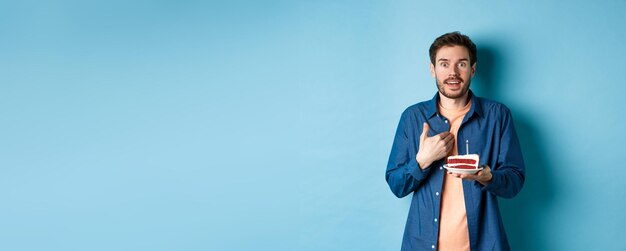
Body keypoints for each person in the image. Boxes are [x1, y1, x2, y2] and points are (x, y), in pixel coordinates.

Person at [385, 32, 525, 251]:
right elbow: (396, 185)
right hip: (422, 245)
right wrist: (422, 160)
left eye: (461, 64)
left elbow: (515, 181)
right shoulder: (413, 118)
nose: (453, 72)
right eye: (444, 64)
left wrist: (488, 176)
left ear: (473, 69)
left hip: (484, 244)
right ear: (433, 69)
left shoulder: (497, 116)